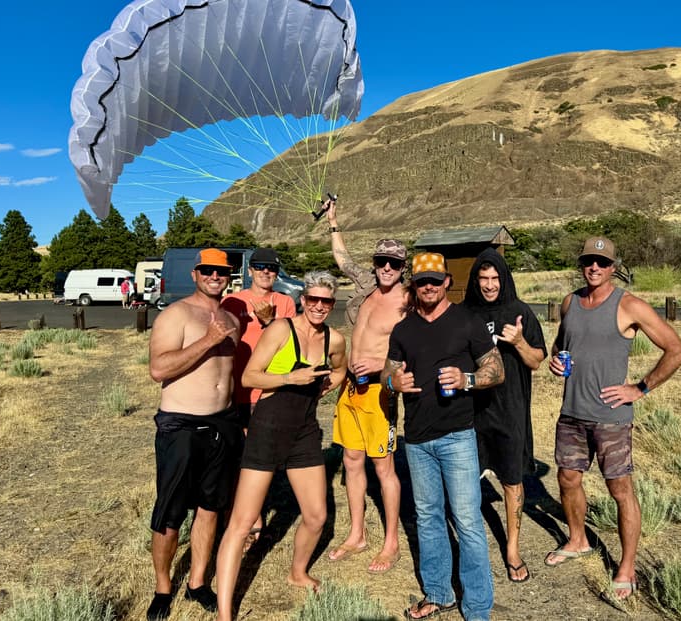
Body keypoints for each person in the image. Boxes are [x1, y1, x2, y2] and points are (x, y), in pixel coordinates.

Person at [544, 236, 681, 602]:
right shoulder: (570, 302)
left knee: (620, 490)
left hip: (611, 418)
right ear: (581, 264)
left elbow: (676, 350)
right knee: (568, 478)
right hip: (572, 413)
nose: (594, 268)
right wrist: (557, 360)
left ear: (613, 267)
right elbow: (562, 346)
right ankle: (578, 540)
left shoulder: (630, 306)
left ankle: (625, 567)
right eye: (589, 261)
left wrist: (640, 388)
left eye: (602, 263)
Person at [215, 271, 347, 618]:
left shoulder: (334, 339)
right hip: (268, 429)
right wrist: (291, 377)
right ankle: (224, 613)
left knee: (317, 516)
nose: (319, 306)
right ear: (303, 300)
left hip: (304, 432)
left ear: (332, 304)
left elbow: (341, 369)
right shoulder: (280, 329)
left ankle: (297, 572)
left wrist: (324, 385)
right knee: (242, 523)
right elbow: (248, 377)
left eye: (326, 301)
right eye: (313, 299)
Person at [383, 252, 504, 621]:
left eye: (436, 280)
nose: (429, 286)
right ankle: (438, 593)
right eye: (422, 281)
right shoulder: (403, 329)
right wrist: (393, 382)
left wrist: (467, 380)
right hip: (417, 440)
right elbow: (388, 373)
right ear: (414, 286)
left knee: (466, 519)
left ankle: (478, 607)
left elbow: (495, 370)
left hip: (458, 437)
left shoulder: (467, 322)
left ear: (447, 281)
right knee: (428, 517)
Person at [146, 248, 243, 620]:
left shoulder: (232, 318)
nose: (215, 276)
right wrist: (207, 340)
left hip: (222, 423)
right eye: (208, 270)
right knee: (170, 514)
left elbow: (228, 375)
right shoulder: (177, 314)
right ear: (196, 274)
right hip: (181, 426)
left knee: (210, 507)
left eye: (222, 271)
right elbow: (158, 369)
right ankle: (162, 588)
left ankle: (197, 582)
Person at [325, 199, 405, 574]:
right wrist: (333, 220)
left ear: (404, 268)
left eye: (395, 264)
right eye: (382, 262)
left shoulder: (408, 300)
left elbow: (420, 348)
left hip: (380, 392)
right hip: (351, 391)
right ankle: (357, 533)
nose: (387, 268)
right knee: (351, 461)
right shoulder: (367, 286)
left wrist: (380, 364)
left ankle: (392, 542)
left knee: (383, 467)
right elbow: (343, 260)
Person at [463, 248, 547, 584]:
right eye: (483, 278)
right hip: (470, 413)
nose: (489, 285)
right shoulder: (463, 312)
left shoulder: (519, 312)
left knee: (512, 481)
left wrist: (520, 342)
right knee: (466, 483)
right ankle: (471, 546)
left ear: (504, 278)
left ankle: (512, 548)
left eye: (495, 278)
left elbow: (537, 360)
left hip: (509, 412)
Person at [221, 248, 297, 549]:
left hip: (266, 393)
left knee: (258, 459)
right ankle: (234, 517)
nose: (267, 272)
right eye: (261, 267)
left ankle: (253, 518)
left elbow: (289, 349)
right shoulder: (233, 301)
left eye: (273, 269)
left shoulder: (286, 303)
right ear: (249, 270)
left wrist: (268, 323)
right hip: (233, 392)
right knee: (233, 458)